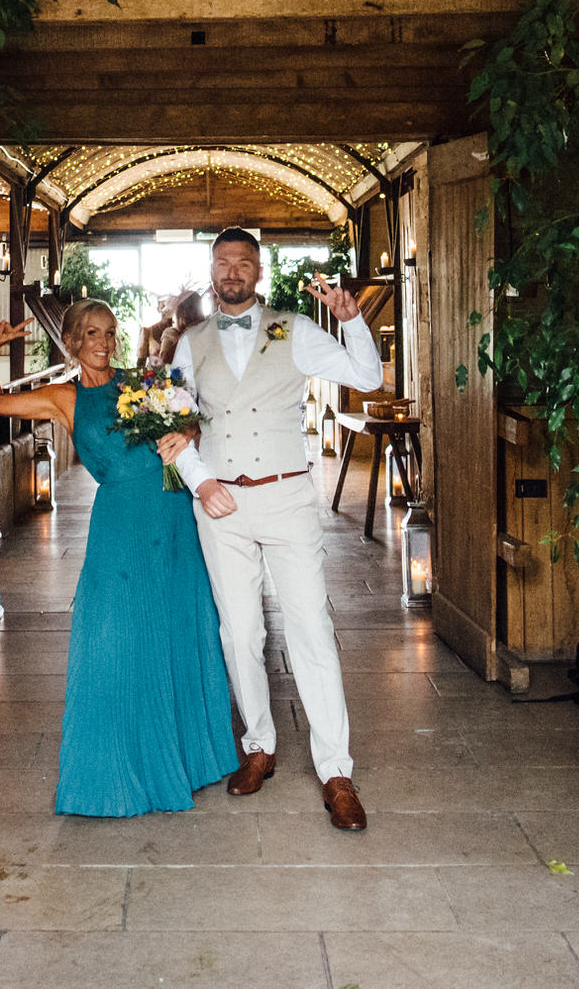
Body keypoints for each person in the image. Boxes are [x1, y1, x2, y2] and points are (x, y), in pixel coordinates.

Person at [0, 299, 238, 818]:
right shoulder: (62, 398)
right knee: (111, 633)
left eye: (109, 333)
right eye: (91, 334)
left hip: (170, 513)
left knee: (175, 625)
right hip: (118, 520)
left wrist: (184, 434)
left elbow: (191, 427)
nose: (102, 342)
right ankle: (112, 767)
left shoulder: (142, 381)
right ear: (72, 342)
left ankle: (189, 757)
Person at [169, 227, 383, 831]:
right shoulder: (192, 341)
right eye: (222, 263)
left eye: (243, 263)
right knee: (239, 634)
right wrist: (198, 480)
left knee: (310, 626)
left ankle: (336, 772)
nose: (232, 272)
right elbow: (172, 421)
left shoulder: (294, 328)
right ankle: (259, 746)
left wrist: (352, 323)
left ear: (258, 273)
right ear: (211, 272)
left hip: (287, 496)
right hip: (222, 506)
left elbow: (366, 379)